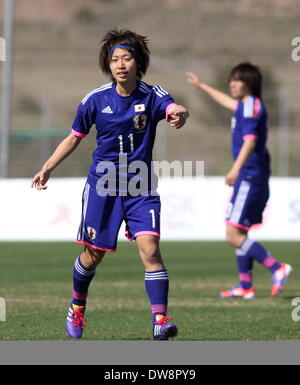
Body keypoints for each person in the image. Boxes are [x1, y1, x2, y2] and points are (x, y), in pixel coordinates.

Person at [32, 29, 188, 339]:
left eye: (126, 58)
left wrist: (179, 112)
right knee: (93, 255)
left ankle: (160, 320)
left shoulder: (153, 95)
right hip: (103, 187)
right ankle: (77, 306)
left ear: (137, 62)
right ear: (108, 64)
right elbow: (74, 137)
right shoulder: (95, 99)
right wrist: (47, 167)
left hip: (140, 186)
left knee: (151, 248)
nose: (120, 64)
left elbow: (172, 107)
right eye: (114, 59)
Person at [186, 63, 292, 299]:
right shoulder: (248, 105)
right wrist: (201, 85)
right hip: (253, 175)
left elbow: (250, 141)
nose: (232, 83)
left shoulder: (249, 107)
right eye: (231, 79)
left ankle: (277, 268)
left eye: (237, 80)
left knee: (233, 235)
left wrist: (235, 169)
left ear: (249, 82)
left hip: (249, 176)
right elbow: (228, 103)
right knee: (240, 231)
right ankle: (245, 286)